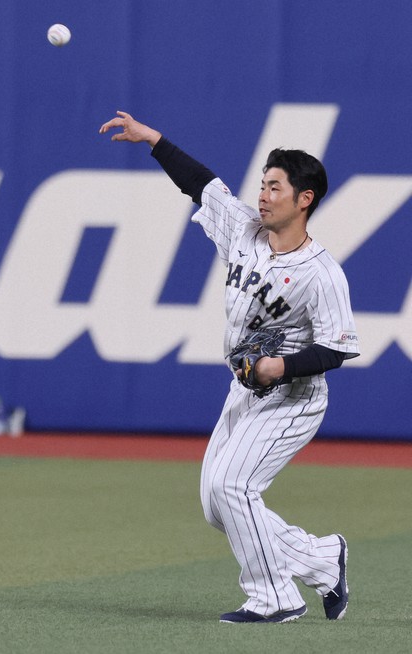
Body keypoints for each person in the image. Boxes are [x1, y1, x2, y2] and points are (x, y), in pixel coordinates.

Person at [99, 111, 360, 623]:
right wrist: (152, 139)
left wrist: (278, 368)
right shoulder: (244, 230)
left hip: (294, 398)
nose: (263, 195)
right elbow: (201, 185)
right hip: (246, 390)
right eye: (262, 185)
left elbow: (337, 348)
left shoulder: (322, 273)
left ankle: (276, 596)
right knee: (218, 506)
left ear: (304, 199)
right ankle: (323, 558)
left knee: (232, 488)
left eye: (276, 187)